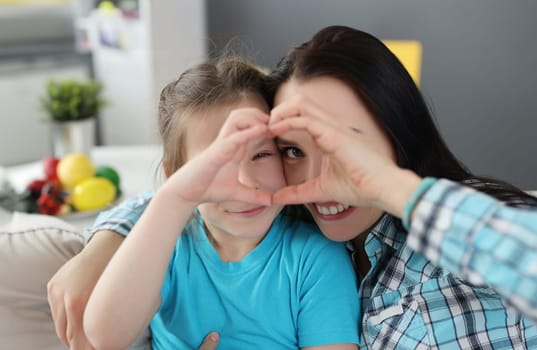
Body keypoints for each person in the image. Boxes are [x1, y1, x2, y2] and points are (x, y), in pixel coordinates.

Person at [47, 25, 537, 349]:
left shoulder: (332, 256)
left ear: (398, 133)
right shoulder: (288, 210)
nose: (319, 178)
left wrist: (395, 189)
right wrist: (115, 234)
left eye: (344, 143)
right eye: (293, 150)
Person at [82, 57, 359, 350]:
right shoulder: (168, 248)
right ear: (175, 175)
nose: (244, 183)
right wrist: (174, 197)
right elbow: (105, 336)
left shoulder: (314, 260)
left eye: (262, 155)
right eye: (216, 163)